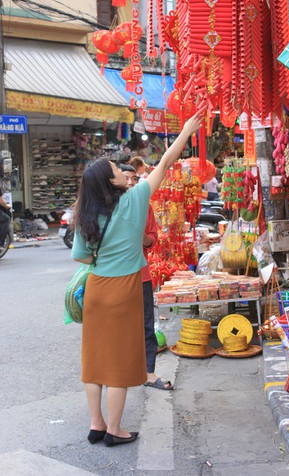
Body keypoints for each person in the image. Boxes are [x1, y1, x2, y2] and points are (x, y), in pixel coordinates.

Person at [71, 112, 203, 447]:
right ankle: (115, 430)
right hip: (126, 286)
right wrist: (186, 131)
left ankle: (96, 424)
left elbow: (82, 257)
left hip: (97, 288)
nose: (122, 171)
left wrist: (103, 257)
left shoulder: (86, 213)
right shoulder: (134, 200)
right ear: (112, 182)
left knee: (94, 359)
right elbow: (167, 161)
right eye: (116, 170)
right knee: (119, 364)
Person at [119, 164, 173, 391]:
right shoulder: (108, 207)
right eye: (126, 178)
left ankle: (148, 372)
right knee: (117, 326)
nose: (131, 182)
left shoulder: (144, 206)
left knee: (145, 326)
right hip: (114, 277)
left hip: (140, 275)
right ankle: (117, 371)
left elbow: (153, 239)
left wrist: (140, 236)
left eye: (135, 178)